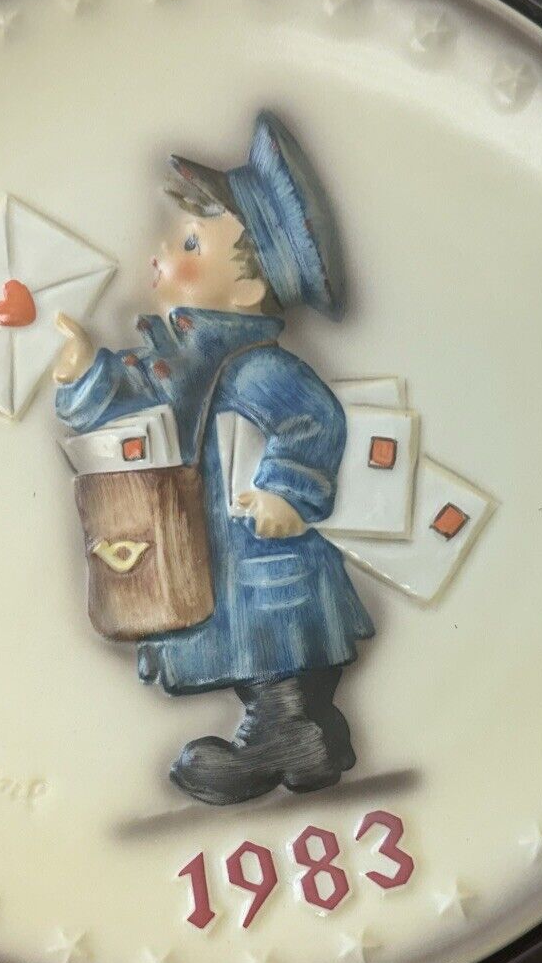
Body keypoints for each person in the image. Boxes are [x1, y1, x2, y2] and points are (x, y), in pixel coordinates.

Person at [53, 112, 374, 805]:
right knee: (252, 650)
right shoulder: (178, 359)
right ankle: (301, 739)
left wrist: (287, 491)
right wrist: (84, 377)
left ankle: (282, 738)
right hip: (216, 552)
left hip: (260, 554)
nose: (164, 251)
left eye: (192, 242)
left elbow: (312, 419)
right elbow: (132, 404)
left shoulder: (255, 365)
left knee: (274, 652)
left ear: (249, 290)